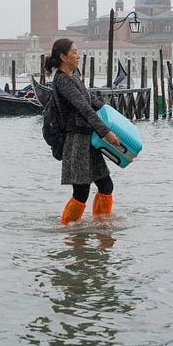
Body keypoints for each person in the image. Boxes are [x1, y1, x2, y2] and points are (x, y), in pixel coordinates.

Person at [44, 38, 121, 224]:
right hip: (76, 142)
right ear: (63, 56)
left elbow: (93, 101)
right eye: (74, 52)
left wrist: (120, 121)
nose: (78, 56)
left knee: (106, 185)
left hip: (89, 141)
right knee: (81, 192)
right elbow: (84, 109)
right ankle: (69, 231)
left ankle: (101, 225)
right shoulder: (62, 81)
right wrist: (106, 133)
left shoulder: (74, 77)